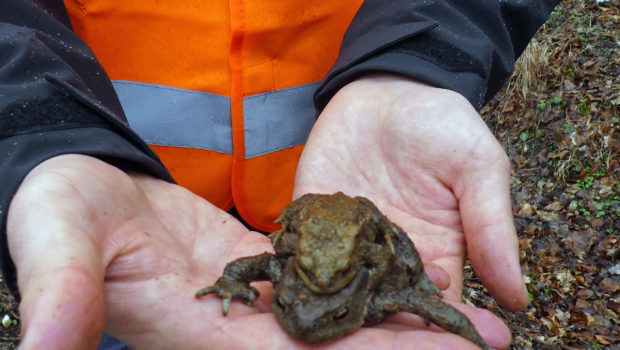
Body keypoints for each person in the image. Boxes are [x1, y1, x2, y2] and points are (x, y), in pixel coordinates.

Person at [1, 0, 560, 349]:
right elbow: (262, 262)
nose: (310, 303)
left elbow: (404, 266)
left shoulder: (370, 277)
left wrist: (417, 61)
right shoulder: (287, 266)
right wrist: (43, 131)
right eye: (296, 300)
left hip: (350, 169)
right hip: (141, 217)